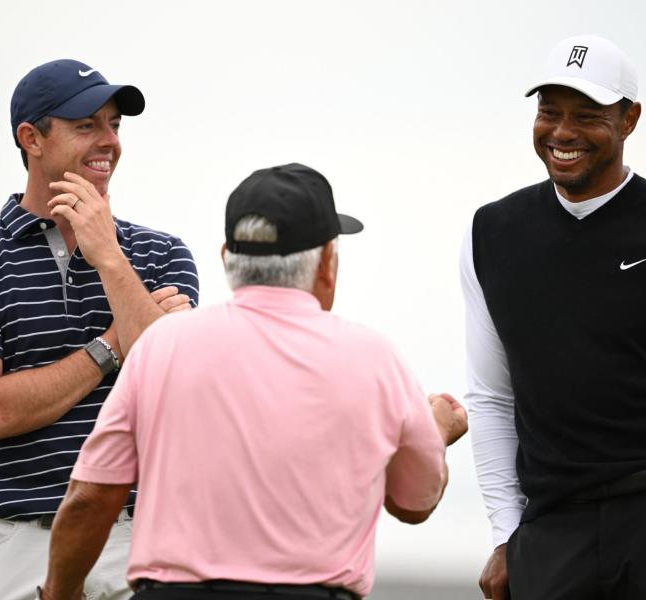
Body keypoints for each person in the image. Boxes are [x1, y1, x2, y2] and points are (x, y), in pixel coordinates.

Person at [37, 162, 469, 600]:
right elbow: (414, 501)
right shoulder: (373, 358)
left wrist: (59, 592)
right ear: (327, 265)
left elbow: (92, 497)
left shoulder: (162, 346)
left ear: (227, 259)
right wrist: (437, 426)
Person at [462, 35, 646, 600]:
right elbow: (492, 400)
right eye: (549, 111)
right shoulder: (491, 234)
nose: (562, 132)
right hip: (549, 531)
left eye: (587, 116)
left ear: (630, 120)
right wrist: (506, 536)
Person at [0, 59, 199, 600]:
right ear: (31, 138)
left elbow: (175, 388)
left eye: (114, 124)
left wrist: (110, 259)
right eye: (86, 125)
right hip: (12, 543)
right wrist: (113, 343)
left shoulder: (162, 255)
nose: (108, 142)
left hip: (139, 537)